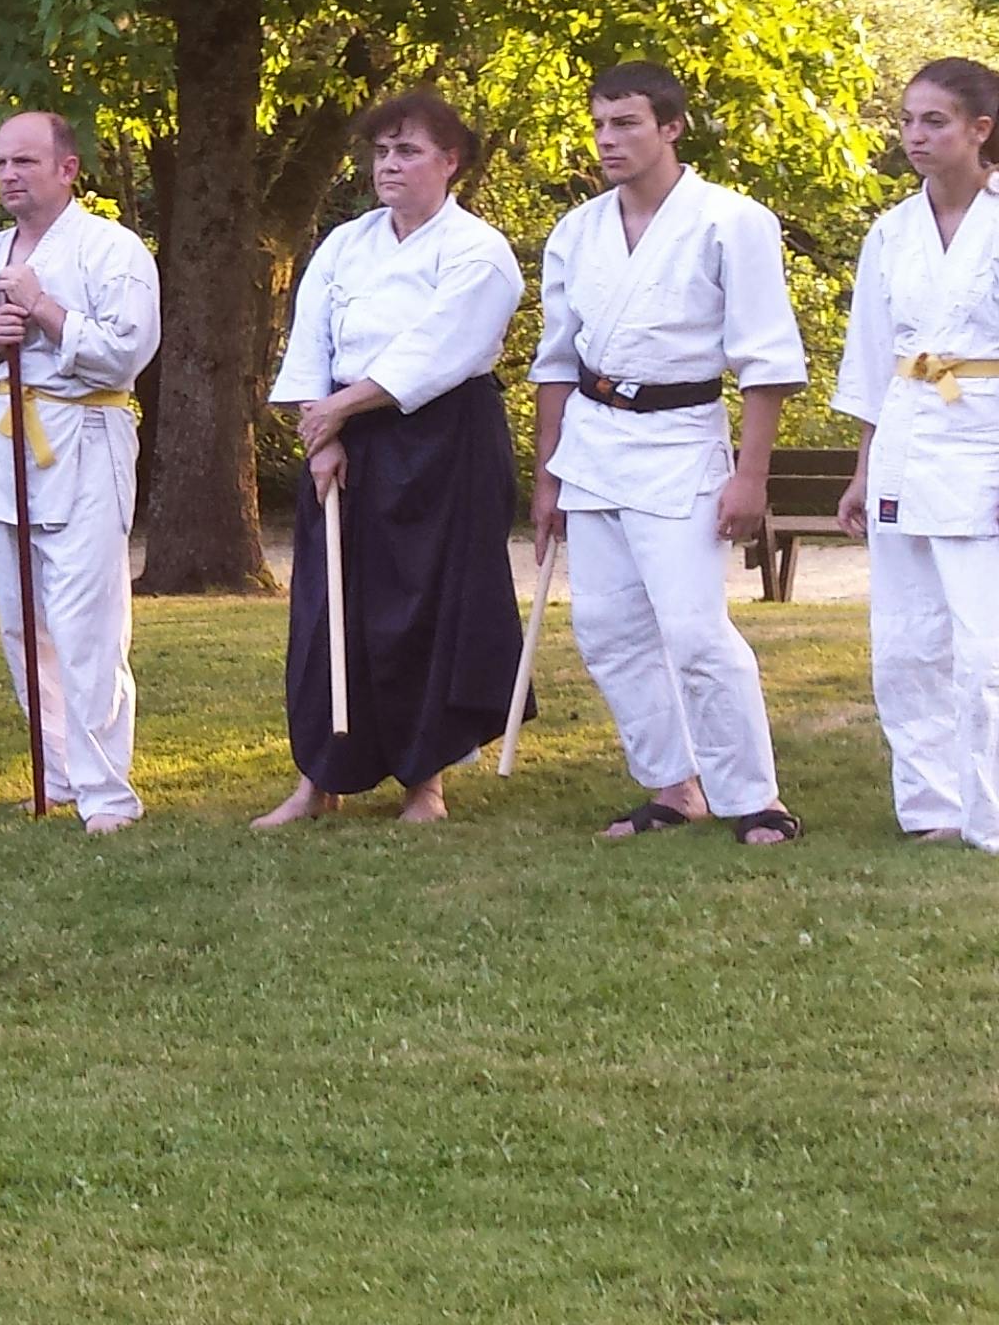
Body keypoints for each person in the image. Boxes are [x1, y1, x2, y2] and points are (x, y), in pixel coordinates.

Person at [532, 61, 808, 845]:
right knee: (607, 630)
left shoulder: (732, 221)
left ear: (672, 127)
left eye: (625, 123)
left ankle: (755, 797)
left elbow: (766, 361)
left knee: (693, 629)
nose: (607, 140)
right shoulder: (577, 230)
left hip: (682, 439)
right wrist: (547, 477)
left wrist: (750, 475)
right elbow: (556, 363)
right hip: (593, 443)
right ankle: (673, 786)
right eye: (598, 125)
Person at [254, 91, 528, 828]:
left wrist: (340, 410)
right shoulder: (346, 244)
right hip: (344, 438)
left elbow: (437, 349)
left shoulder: (478, 251)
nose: (389, 165)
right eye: (381, 152)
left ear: (451, 162)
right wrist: (323, 434)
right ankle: (320, 776)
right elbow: (311, 340)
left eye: (408, 151)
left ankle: (424, 783)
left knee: (424, 606)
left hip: (443, 441)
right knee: (328, 605)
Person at [0, 110, 160, 832]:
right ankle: (57, 769)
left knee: (87, 626)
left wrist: (44, 310)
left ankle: (106, 792)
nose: (8, 175)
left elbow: (126, 353)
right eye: (0, 163)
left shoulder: (113, 251)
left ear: (67, 168)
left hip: (83, 440)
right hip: (3, 448)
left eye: (24, 161)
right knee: (23, 625)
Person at [834, 56, 999, 847]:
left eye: (934, 121)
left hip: (985, 435)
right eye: (906, 121)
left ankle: (991, 813)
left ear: (980, 129)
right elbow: (872, 359)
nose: (915, 136)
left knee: (985, 647)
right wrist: (862, 471)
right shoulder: (892, 231)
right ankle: (932, 807)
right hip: (906, 433)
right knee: (907, 642)